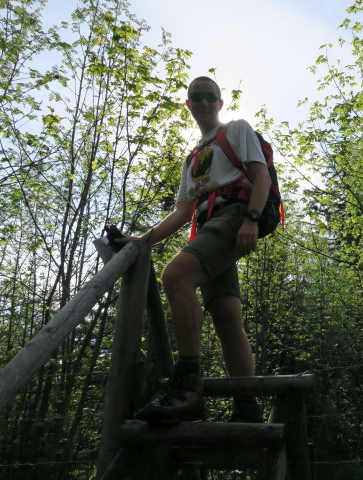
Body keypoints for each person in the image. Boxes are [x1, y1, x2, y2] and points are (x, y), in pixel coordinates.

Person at [118, 76, 272, 424]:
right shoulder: (193, 158)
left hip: (234, 216)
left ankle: (188, 386)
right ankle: (247, 408)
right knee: (225, 315)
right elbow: (183, 211)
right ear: (188, 105)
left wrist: (250, 219)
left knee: (175, 276)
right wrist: (144, 241)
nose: (203, 103)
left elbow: (260, 176)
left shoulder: (237, 130)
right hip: (208, 226)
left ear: (220, 103)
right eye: (196, 98)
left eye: (210, 97)